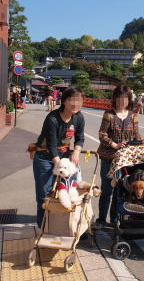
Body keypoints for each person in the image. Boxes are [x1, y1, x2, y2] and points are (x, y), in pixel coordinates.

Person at [93, 84, 144, 229]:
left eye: (125, 98)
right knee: (107, 189)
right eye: (119, 98)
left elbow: (136, 135)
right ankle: (102, 220)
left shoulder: (134, 116)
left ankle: (115, 219)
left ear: (129, 99)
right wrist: (114, 144)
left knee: (120, 190)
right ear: (115, 98)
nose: (122, 101)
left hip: (126, 160)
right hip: (109, 157)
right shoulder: (109, 114)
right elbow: (102, 134)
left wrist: (142, 142)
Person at [32, 87, 85, 228]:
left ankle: (64, 224)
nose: (75, 104)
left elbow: (80, 138)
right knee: (45, 194)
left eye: (79, 101)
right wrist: (60, 166)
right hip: (45, 157)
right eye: (71, 100)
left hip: (65, 157)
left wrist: (76, 152)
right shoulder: (53, 118)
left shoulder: (79, 117)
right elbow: (51, 145)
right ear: (64, 101)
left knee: (68, 190)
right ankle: (43, 227)